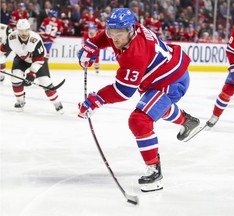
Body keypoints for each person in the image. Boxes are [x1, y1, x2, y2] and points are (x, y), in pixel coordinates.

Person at [77, 8, 200, 192]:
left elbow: (124, 91)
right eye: (112, 32)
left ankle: (154, 170)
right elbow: (105, 36)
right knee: (156, 107)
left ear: (132, 29)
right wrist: (92, 44)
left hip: (171, 81)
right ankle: (187, 122)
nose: (115, 38)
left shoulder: (136, 53)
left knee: (140, 120)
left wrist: (97, 99)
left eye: (119, 33)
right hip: (162, 75)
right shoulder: (126, 31)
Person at [0, 19, 64, 113]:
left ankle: (57, 103)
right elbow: (2, 50)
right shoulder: (11, 38)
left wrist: (32, 74)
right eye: (21, 31)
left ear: (29, 29)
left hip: (38, 61)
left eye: (26, 30)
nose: (23, 33)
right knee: (15, 78)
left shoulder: (36, 39)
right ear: (17, 30)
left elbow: (39, 60)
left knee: (45, 81)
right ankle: (20, 101)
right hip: (21, 59)